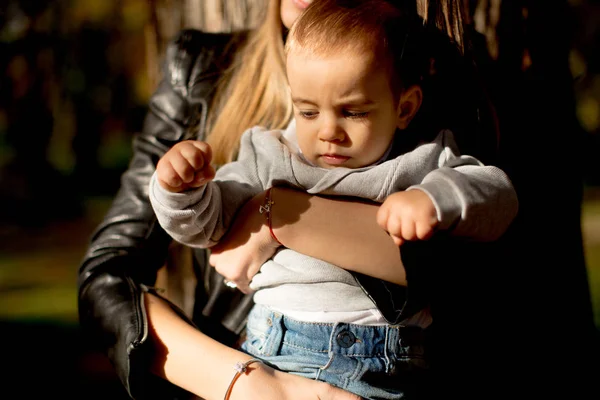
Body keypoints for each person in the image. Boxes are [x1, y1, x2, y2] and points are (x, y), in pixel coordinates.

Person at [77, 1, 501, 399]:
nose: (329, 131)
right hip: (270, 352)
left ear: (404, 106)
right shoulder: (267, 148)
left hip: (389, 362)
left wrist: (431, 199)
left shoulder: (423, 146)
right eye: (308, 112)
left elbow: (486, 213)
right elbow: (201, 229)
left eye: (353, 112)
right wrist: (179, 189)